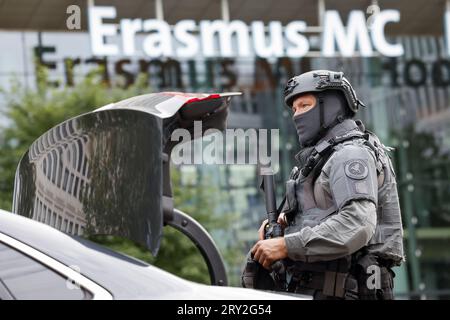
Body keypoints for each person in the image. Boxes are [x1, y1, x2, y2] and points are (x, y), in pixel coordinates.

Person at [242, 70, 404, 300]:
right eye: (294, 109)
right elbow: (325, 216)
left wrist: (287, 245)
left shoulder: (350, 154)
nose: (297, 115)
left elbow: (357, 223)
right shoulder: (322, 159)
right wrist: (284, 227)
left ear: (331, 106)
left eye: (304, 105)